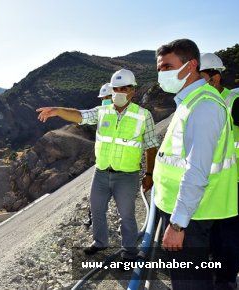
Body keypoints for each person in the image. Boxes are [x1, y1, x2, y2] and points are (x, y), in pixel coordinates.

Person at [36, 71, 159, 262]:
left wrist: (149, 173)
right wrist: (58, 110)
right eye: (115, 89)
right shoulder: (102, 112)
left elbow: (151, 146)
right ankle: (100, 243)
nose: (118, 92)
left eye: (123, 89)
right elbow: (80, 115)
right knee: (97, 209)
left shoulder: (143, 116)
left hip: (127, 175)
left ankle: (130, 252)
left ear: (132, 90)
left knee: (126, 215)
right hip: (101, 173)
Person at [153, 39, 238, 290]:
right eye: (159, 68)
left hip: (192, 216)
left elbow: (197, 170)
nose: (162, 74)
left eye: (167, 67)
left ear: (191, 66)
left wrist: (178, 225)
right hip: (185, 209)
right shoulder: (190, 100)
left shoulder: (204, 106)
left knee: (190, 282)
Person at [200, 52, 239, 290]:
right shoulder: (202, 104)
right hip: (210, 182)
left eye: (203, 77)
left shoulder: (234, 103)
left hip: (236, 182)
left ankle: (227, 279)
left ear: (215, 78)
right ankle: (214, 272)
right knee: (212, 233)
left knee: (232, 236)